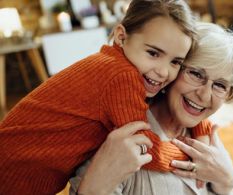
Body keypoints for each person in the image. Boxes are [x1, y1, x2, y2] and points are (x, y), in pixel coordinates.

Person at [0, 1, 212, 194]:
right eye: (154, 53)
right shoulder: (122, 76)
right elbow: (145, 146)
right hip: (13, 175)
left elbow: (186, 99)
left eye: (175, 62)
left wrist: (200, 128)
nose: (163, 72)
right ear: (121, 36)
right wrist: (192, 156)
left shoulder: (112, 62)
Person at [69, 21, 233, 195]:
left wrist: (228, 179)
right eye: (196, 74)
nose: (204, 95)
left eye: (220, 85)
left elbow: (222, 190)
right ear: (172, 69)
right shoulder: (119, 135)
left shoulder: (207, 136)